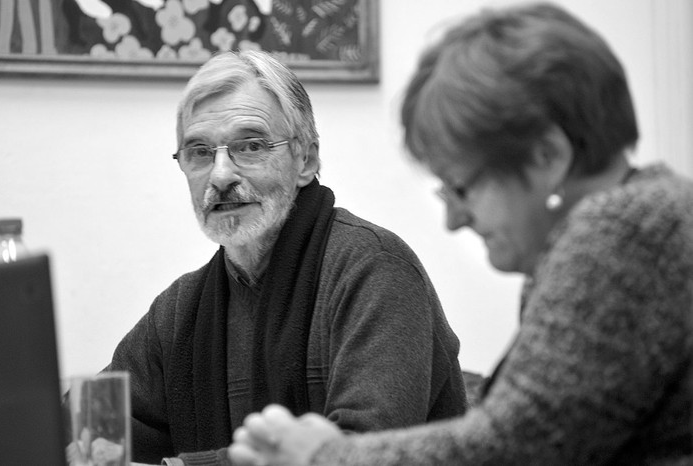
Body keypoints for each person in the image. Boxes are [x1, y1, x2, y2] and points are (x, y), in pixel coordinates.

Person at [227, 2, 693, 465]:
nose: (454, 220)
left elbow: (518, 447)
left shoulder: (625, 231)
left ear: (547, 156)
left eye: (463, 187)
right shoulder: (639, 220)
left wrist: (323, 456)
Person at [101, 50, 468, 466]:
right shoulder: (180, 311)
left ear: (306, 160)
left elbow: (360, 454)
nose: (220, 176)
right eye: (200, 152)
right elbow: (92, 425)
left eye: (251, 145)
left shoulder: (375, 269)